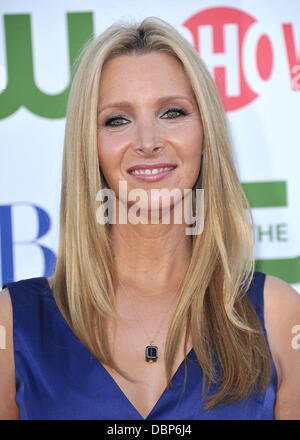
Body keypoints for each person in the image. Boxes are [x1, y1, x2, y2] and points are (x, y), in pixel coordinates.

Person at [0, 16, 300, 421]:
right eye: (117, 120)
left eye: (172, 112)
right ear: (90, 146)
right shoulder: (14, 323)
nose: (148, 142)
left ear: (206, 132)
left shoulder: (278, 315)